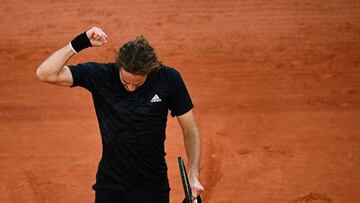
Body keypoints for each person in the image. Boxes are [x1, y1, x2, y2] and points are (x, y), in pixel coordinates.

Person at [36, 26, 204, 203]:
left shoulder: (168, 79)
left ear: (151, 70)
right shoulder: (102, 75)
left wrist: (193, 173)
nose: (131, 88)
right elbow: (46, 73)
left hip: (152, 186)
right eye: (125, 82)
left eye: (138, 84)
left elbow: (190, 129)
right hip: (111, 185)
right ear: (119, 65)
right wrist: (81, 41)